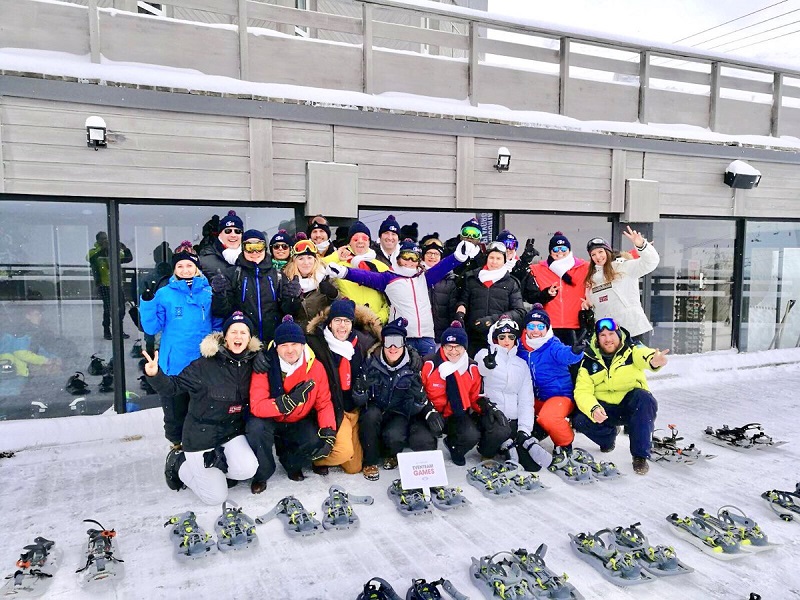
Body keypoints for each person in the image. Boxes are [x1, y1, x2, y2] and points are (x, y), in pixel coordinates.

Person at [143, 311, 260, 505]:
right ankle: (179, 463)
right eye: (233, 332)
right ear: (225, 336)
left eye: (243, 332)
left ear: (249, 339)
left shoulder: (252, 363)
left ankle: (213, 469)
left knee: (247, 469)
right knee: (215, 498)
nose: (238, 336)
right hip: (201, 436)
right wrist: (155, 375)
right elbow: (173, 387)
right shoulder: (204, 365)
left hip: (231, 433)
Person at [327, 238, 480, 357]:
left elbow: (443, 267)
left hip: (426, 336)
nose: (410, 261)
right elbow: (366, 276)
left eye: (414, 258)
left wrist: (458, 257)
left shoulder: (423, 278)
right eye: (406, 256)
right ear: (399, 257)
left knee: (427, 375)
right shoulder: (389, 278)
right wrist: (343, 272)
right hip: (404, 337)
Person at [139, 242, 219, 451]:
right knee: (175, 411)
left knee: (201, 409)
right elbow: (152, 327)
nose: (185, 270)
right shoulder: (165, 293)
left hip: (203, 362)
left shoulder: (208, 292)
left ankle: (201, 448)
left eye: (189, 266)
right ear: (175, 270)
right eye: (180, 266)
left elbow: (217, 322)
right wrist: (147, 303)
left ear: (196, 268)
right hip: (174, 362)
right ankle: (177, 448)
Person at [247, 316, 337, 490]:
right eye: (284, 345)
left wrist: (329, 432)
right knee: (255, 428)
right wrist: (285, 403)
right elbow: (257, 405)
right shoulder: (265, 364)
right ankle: (263, 472)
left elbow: (324, 403)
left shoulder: (315, 367)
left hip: (297, 418)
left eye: (294, 344)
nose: (290, 350)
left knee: (313, 440)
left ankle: (292, 463)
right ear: (276, 347)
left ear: (302, 345)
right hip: (271, 418)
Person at [572, 317, 669, 475]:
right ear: (597, 338)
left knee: (645, 399)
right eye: (602, 335)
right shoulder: (589, 359)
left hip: (630, 404)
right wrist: (593, 408)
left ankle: (640, 456)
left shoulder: (632, 349)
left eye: (611, 334)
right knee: (580, 419)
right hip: (605, 409)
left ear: (618, 334)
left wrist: (654, 360)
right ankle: (608, 438)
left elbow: (644, 355)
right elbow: (582, 392)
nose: (608, 339)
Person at [355, 317, 439, 480]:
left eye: (397, 342)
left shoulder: (413, 366)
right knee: (369, 418)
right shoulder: (371, 362)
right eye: (389, 342)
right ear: (383, 344)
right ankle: (370, 461)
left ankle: (390, 454)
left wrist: (418, 400)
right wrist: (360, 389)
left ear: (404, 344)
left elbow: (413, 409)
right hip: (376, 407)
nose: (393, 348)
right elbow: (359, 400)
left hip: (398, 411)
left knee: (395, 436)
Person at [305, 298, 381, 476]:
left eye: (346, 321)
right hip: (334, 409)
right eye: (337, 320)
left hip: (354, 407)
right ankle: (313, 458)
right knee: (343, 453)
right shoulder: (316, 343)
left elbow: (389, 349)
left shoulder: (360, 343)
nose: (342, 326)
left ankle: (335, 450)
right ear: (329, 323)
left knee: (354, 468)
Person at [474, 316, 551, 472]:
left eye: (511, 337)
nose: (506, 340)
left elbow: (526, 400)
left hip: (513, 419)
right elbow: (480, 368)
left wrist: (524, 430)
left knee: (532, 466)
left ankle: (513, 443)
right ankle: (487, 451)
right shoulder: (484, 354)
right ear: (495, 339)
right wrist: (487, 366)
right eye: (502, 337)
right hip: (491, 416)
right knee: (500, 431)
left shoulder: (521, 365)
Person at [516, 304, 584, 453]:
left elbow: (566, 355)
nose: (535, 331)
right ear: (525, 328)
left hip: (558, 396)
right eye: (531, 326)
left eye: (540, 327)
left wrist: (575, 351)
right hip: (533, 397)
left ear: (547, 329)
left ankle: (564, 444)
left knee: (549, 418)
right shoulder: (519, 346)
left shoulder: (553, 345)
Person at [421, 321, 489, 466]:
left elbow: (475, 397)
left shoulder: (472, 368)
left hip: (456, 414)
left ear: (465, 348)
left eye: (458, 346)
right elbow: (418, 392)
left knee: (471, 435)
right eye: (449, 346)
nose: (453, 351)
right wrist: (428, 411)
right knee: (422, 440)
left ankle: (454, 446)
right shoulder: (429, 364)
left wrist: (487, 408)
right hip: (431, 413)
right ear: (443, 346)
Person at [210, 229, 290, 344]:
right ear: (243, 249)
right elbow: (221, 311)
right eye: (249, 247)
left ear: (265, 248)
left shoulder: (277, 275)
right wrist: (219, 294)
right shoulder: (233, 274)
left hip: (273, 341)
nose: (254, 252)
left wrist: (292, 298)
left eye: (259, 246)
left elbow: (288, 310)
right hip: (243, 343)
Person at [584, 226, 660, 342]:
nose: (598, 257)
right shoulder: (592, 279)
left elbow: (650, 262)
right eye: (593, 254)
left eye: (600, 252)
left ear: (607, 251)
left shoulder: (624, 267)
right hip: (608, 335)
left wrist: (642, 246)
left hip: (632, 330)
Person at [455, 241, 526, 354]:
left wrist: (492, 320)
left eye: (498, 258)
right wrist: (460, 310)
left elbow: (519, 312)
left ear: (504, 260)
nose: (494, 262)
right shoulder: (472, 278)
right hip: (473, 337)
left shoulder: (511, 282)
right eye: (491, 257)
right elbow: (463, 301)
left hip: (500, 338)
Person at [529, 232, 590, 345]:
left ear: (569, 249)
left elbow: (605, 270)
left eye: (563, 248)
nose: (560, 252)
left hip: (576, 326)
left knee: (574, 360)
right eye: (555, 249)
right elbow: (518, 275)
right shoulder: (538, 269)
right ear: (550, 252)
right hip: (550, 325)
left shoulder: (584, 267)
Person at [324, 221, 390, 324]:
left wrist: (378, 318)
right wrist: (336, 255)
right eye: (355, 239)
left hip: (375, 326)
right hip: (347, 324)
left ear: (369, 242)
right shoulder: (338, 266)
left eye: (364, 238)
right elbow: (316, 269)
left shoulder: (382, 267)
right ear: (349, 242)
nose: (360, 242)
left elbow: (390, 300)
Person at [281, 238, 340, 330]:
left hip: (321, 330)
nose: (306, 263)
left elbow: (339, 306)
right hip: (297, 331)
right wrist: (292, 300)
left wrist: (333, 294)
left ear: (315, 260)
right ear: (294, 261)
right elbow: (283, 310)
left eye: (309, 258)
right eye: (301, 259)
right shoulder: (286, 280)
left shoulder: (326, 276)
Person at [87, 231, 133, 340]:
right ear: (97, 240)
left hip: (117, 284)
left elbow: (128, 258)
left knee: (121, 308)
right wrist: (103, 249)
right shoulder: (94, 252)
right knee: (108, 309)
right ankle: (107, 331)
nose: (105, 240)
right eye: (102, 239)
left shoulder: (113, 252)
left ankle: (118, 330)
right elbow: (90, 259)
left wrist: (124, 247)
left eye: (106, 238)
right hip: (104, 285)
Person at [420, 234, 458, 342]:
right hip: (421, 334)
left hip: (442, 335)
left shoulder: (449, 280)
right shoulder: (416, 277)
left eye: (436, 254)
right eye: (429, 253)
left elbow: (452, 310)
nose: (432, 257)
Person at [197, 210, 242, 280]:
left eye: (237, 231)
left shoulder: (253, 256)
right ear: (220, 235)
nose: (233, 235)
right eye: (228, 231)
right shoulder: (205, 259)